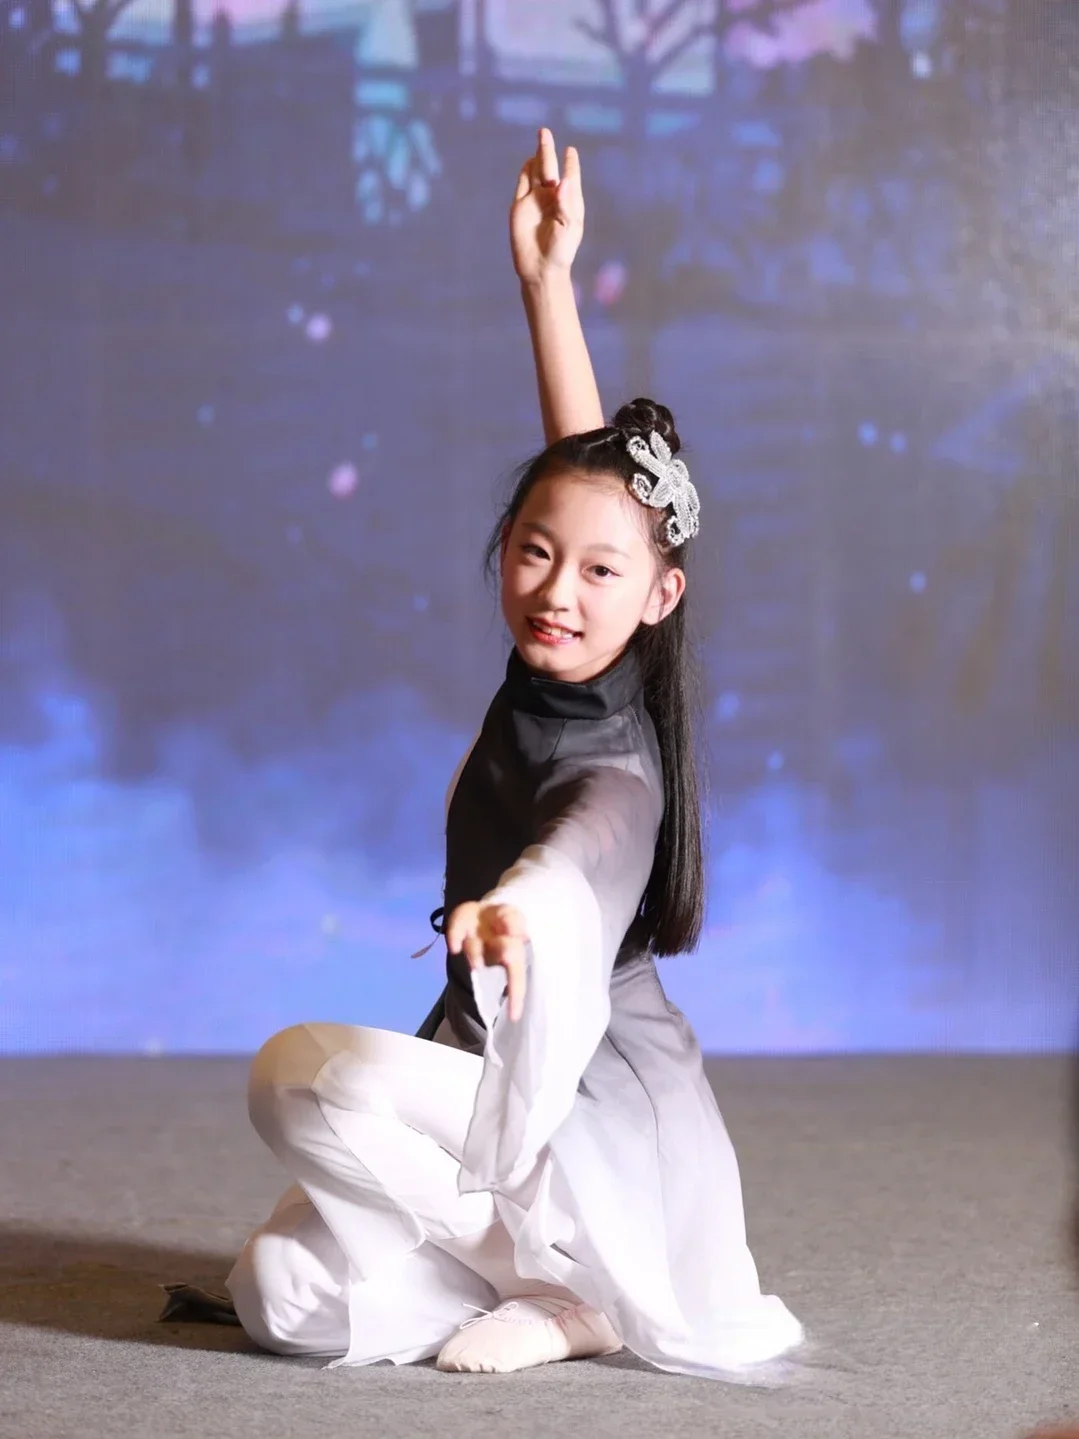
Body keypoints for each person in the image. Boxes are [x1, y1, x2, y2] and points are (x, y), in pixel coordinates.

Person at [224, 129, 804, 1380]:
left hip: (590, 1123)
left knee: (295, 1077)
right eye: (532, 552)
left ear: (659, 598)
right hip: (485, 1084)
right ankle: (522, 1272)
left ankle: (574, 1285)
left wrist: (512, 911)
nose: (556, 588)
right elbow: (587, 487)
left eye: (600, 574)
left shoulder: (618, 764)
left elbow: (579, 848)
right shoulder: (573, 647)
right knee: (277, 1294)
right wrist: (547, 286)